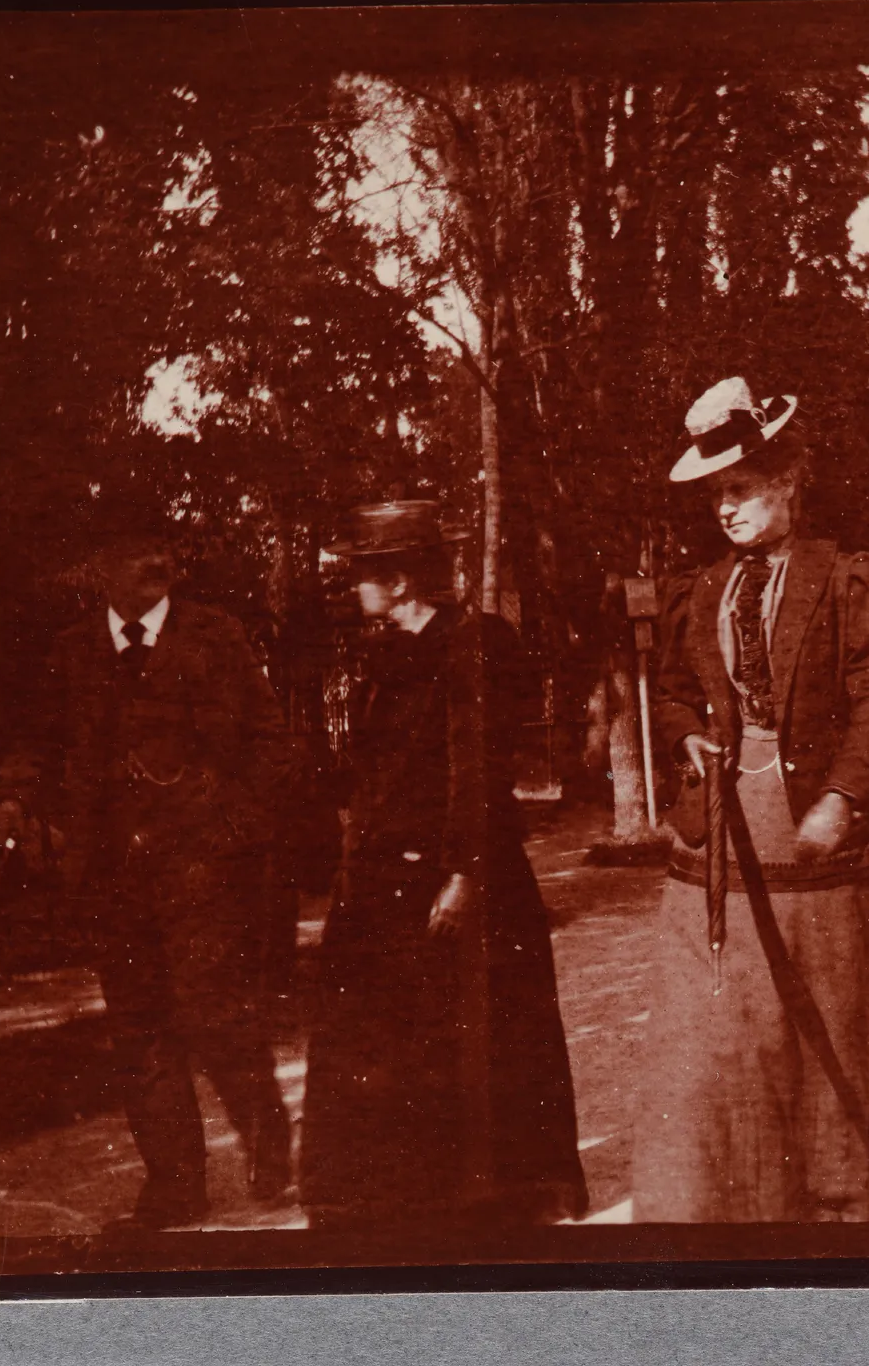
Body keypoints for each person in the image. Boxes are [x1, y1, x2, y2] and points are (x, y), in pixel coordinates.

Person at [635, 377, 869, 1222]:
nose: (726, 508)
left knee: (827, 1010)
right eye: (717, 493)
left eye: (742, 489)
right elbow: (674, 691)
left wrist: (841, 797)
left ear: (787, 481)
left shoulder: (845, 578)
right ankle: (715, 1199)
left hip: (823, 832)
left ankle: (832, 1191)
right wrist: (684, 735)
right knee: (715, 1018)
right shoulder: (702, 589)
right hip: (722, 831)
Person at [0, 496, 296, 1230]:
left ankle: (267, 1140)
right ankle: (175, 1185)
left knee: (215, 1016)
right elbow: (38, 744)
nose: (156, 562)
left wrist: (232, 830)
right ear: (99, 571)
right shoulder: (71, 654)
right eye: (133, 551)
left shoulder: (214, 637)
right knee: (141, 1030)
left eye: (160, 546)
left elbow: (271, 744)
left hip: (204, 872)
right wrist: (10, 800)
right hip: (114, 880)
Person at [299, 500, 587, 1233]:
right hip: (381, 881)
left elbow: (478, 768)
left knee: (486, 1028)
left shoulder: (473, 643)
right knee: (385, 1036)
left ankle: (504, 1191)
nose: (354, 585)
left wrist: (463, 872)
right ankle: (396, 1192)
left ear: (399, 579)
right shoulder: (378, 654)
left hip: (462, 873)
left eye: (365, 573)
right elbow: (370, 774)